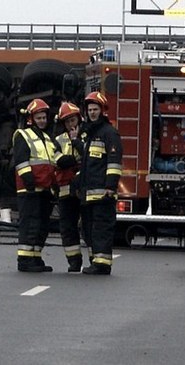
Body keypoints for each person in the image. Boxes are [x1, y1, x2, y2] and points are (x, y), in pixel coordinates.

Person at [12, 98, 65, 273]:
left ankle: (35, 257)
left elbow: (57, 160)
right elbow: (21, 162)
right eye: (39, 118)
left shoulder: (48, 139)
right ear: (31, 119)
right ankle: (24, 260)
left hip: (45, 190)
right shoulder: (23, 135)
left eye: (44, 117)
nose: (42, 120)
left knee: (41, 226)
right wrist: (29, 183)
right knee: (30, 224)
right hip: (29, 190)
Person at [75, 91, 123, 275]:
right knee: (88, 229)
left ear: (103, 110)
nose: (92, 113)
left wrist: (111, 186)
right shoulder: (88, 134)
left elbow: (113, 162)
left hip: (103, 193)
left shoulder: (109, 133)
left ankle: (102, 264)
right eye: (90, 110)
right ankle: (95, 260)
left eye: (95, 109)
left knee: (101, 229)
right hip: (88, 193)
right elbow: (87, 165)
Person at [54, 102, 84, 272]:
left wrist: (77, 142)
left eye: (72, 120)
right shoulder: (58, 140)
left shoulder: (87, 136)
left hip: (84, 190)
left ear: (78, 119)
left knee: (89, 225)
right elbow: (58, 161)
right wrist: (75, 162)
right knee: (68, 228)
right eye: (67, 122)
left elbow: (89, 157)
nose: (71, 125)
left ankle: (96, 261)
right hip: (65, 191)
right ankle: (74, 261)